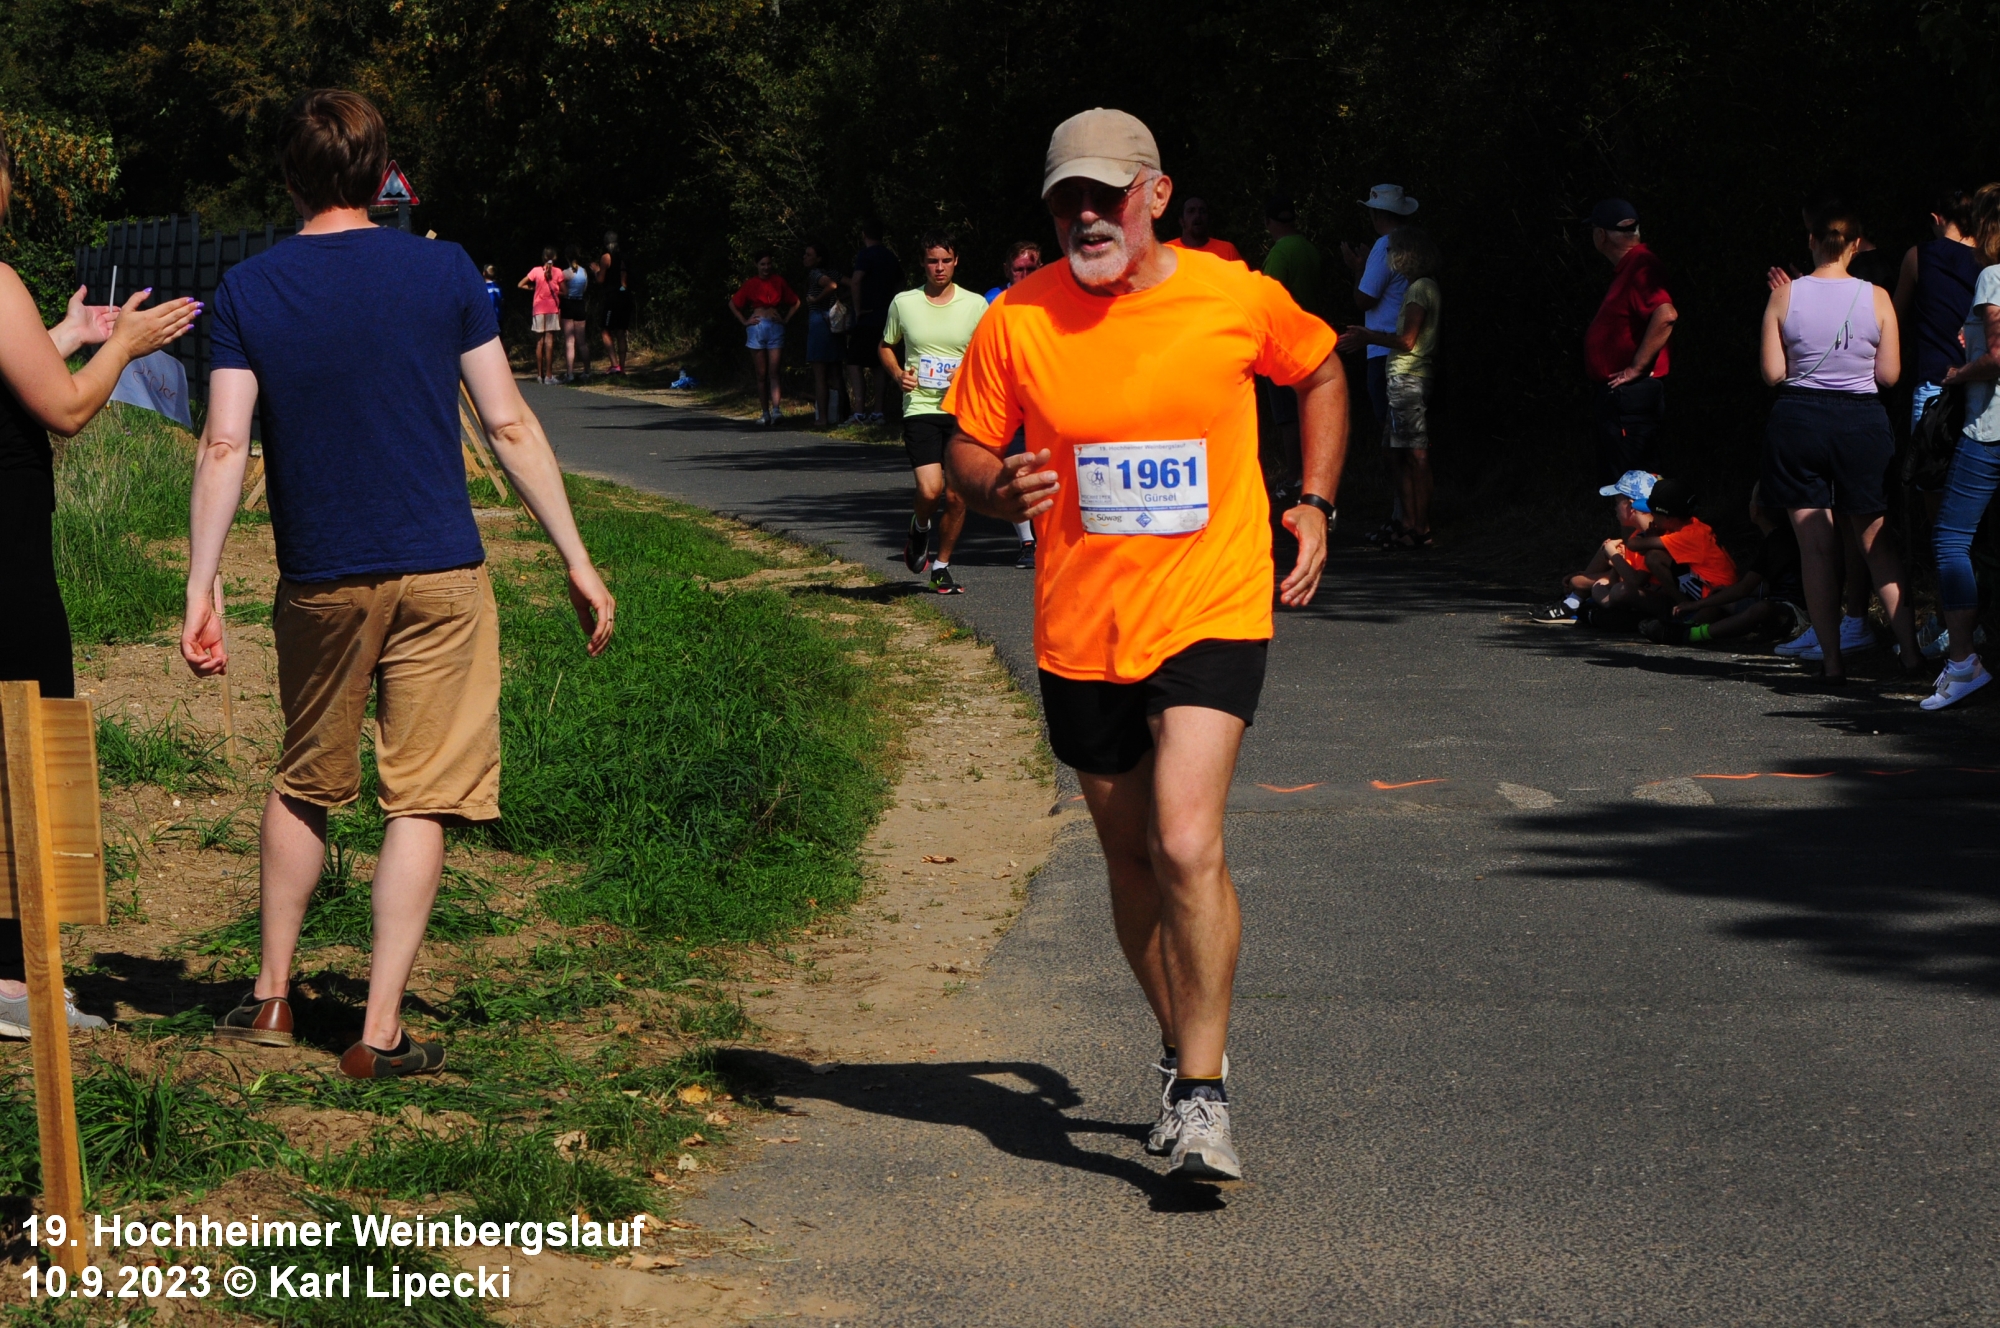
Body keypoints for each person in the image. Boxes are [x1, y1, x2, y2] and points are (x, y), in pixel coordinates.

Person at [943, 108, 1348, 1181]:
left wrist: (1313, 500)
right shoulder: (1017, 319)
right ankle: (1180, 1051)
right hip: (1082, 627)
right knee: (1129, 859)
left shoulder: (1234, 294)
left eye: (1105, 195)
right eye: (1065, 200)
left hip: (1213, 605)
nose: (1086, 216)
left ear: (1155, 195)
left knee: (1182, 839)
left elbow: (1319, 369)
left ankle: (1205, 1096)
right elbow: (967, 445)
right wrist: (997, 488)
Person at [182, 88, 615, 1079]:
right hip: (441, 571)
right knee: (420, 796)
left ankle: (271, 996)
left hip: (321, 575)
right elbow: (508, 423)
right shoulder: (444, 269)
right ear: (383, 177)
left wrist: (201, 584)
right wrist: (575, 556)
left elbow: (224, 444)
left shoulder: (249, 288)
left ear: (287, 177)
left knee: (304, 778)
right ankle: (378, 1031)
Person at [0, 132, 200, 1038]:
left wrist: (68, 336)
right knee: (30, 744)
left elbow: (19, 373)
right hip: (6, 562)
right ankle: (15, 980)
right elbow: (68, 408)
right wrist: (123, 346)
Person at [1758, 199, 1921, 683]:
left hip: (1798, 421)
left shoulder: (1784, 296)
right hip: (1860, 424)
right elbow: (1889, 376)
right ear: (1855, 245)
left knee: (1815, 550)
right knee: (1877, 543)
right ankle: (1911, 655)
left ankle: (1832, 662)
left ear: (1811, 241)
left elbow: (1773, 373)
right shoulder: (1878, 297)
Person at [1923, 187, 2000, 709]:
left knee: (1951, 539)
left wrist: (1958, 372)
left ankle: (1963, 662)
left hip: (1990, 430)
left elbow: (1997, 356)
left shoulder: (1993, 276)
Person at [882, 232, 987, 594]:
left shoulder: (975, 305)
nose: (939, 268)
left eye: (945, 260)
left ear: (955, 262)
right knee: (930, 490)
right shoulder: (904, 302)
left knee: (957, 496)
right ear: (922, 263)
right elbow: (885, 346)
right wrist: (898, 374)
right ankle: (920, 527)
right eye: (932, 261)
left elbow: (990, 353)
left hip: (962, 409)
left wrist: (967, 371)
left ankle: (941, 567)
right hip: (921, 406)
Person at [1343, 225, 1440, 548]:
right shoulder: (1418, 287)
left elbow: (1407, 340)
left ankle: (1419, 527)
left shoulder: (1420, 289)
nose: (1389, 258)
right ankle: (1409, 522)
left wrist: (1367, 336)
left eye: (1393, 252)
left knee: (1413, 452)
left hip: (1409, 376)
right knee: (1396, 451)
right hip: (1402, 376)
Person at [1585, 199, 1677, 484]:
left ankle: (1643, 518)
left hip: (1631, 396)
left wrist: (1636, 367)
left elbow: (1666, 315)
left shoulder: (1641, 265)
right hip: (1622, 398)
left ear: (1601, 235)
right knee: (1625, 486)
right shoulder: (1630, 267)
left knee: (1635, 487)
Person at [1643, 486, 1804, 646]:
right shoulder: (1774, 540)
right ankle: (1686, 625)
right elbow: (1772, 586)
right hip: (1776, 604)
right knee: (1720, 596)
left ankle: (1692, 635)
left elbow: (1743, 589)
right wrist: (1724, 593)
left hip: (1794, 613)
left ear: (1756, 511)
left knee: (1761, 608)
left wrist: (1695, 604)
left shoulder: (1778, 541)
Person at [1254, 195, 1327, 507]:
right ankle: (1312, 477)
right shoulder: (1310, 249)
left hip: (1284, 347)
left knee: (1287, 417)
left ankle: (1294, 477)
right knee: (1308, 412)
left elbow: (1268, 300)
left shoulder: (1280, 252)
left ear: (1269, 222)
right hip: (1313, 342)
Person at [979, 240, 1046, 564]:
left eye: (1031, 268)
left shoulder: (1052, 298)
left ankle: (1049, 538)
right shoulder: (992, 301)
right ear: (1007, 270)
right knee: (1017, 469)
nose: (1025, 275)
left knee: (1047, 468)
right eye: (1019, 269)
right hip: (1009, 399)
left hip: (1044, 397)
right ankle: (1027, 542)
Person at [1339, 184, 1416, 457]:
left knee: (1394, 437)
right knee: (1411, 437)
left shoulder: (1385, 245)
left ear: (1378, 214)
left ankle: (1403, 484)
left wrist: (1358, 269)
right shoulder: (1414, 243)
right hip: (1411, 346)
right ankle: (1415, 483)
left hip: (1385, 351)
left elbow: (1364, 299)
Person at [1591, 477, 1738, 620]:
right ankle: (1683, 607)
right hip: (1710, 587)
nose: (1651, 517)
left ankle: (1687, 611)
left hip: (1715, 595)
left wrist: (1614, 552)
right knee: (1655, 557)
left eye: (1653, 513)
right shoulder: (1691, 525)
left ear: (1668, 518)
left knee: (1654, 557)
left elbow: (1634, 545)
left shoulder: (1687, 536)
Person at [1530, 469, 1655, 625]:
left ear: (1630, 506)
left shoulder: (1649, 537)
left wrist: (1612, 556)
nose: (1614, 508)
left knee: (1591, 582)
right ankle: (1574, 601)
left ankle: (1574, 602)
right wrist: (1613, 560)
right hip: (1628, 585)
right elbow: (1619, 575)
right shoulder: (1636, 534)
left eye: (1617, 503)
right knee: (1603, 559)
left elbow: (1634, 580)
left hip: (1646, 594)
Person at [731, 251, 801, 426]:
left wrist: (785, 319)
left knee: (774, 372)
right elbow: (733, 304)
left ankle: (776, 410)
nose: (766, 267)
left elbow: (796, 302)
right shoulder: (751, 284)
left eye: (768, 264)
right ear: (757, 265)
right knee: (761, 374)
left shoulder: (778, 281)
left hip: (775, 326)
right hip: (757, 327)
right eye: (762, 264)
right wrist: (745, 321)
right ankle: (765, 412)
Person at [846, 221, 902, 423]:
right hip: (886, 316)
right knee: (879, 364)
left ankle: (859, 411)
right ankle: (878, 411)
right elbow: (900, 283)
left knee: (854, 362)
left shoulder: (866, 255)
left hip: (867, 316)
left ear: (864, 235)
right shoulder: (890, 256)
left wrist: (857, 309)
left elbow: (856, 280)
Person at [802, 241, 846, 425]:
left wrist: (816, 299)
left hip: (820, 321)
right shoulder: (832, 272)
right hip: (834, 323)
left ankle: (823, 417)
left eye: (809, 255)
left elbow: (832, 286)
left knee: (820, 374)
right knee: (836, 372)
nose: (805, 258)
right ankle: (840, 414)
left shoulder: (816, 274)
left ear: (818, 259)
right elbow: (850, 283)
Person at [519, 248, 563, 384]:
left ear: (543, 258)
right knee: (550, 341)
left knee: (539, 342)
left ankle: (540, 375)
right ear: (554, 258)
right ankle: (549, 375)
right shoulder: (558, 272)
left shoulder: (535, 271)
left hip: (538, 308)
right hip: (552, 308)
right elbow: (565, 291)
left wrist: (534, 288)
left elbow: (520, 284)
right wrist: (556, 291)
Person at [594, 231, 632, 374]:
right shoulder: (624, 257)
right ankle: (622, 367)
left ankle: (614, 365)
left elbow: (600, 279)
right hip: (625, 296)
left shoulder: (606, 257)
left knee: (605, 330)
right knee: (621, 332)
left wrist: (596, 271)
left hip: (612, 297)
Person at [1165, 195, 1243, 264]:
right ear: (1181, 220)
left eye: (1202, 211)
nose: (1197, 215)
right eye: (1191, 211)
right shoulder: (1167, 251)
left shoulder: (1227, 250)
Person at [559, 250, 592, 382]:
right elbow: (584, 289)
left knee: (569, 341)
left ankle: (570, 374)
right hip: (580, 303)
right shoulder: (584, 272)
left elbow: (562, 290)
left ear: (567, 257)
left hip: (568, 304)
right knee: (582, 342)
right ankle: (587, 372)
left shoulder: (565, 273)